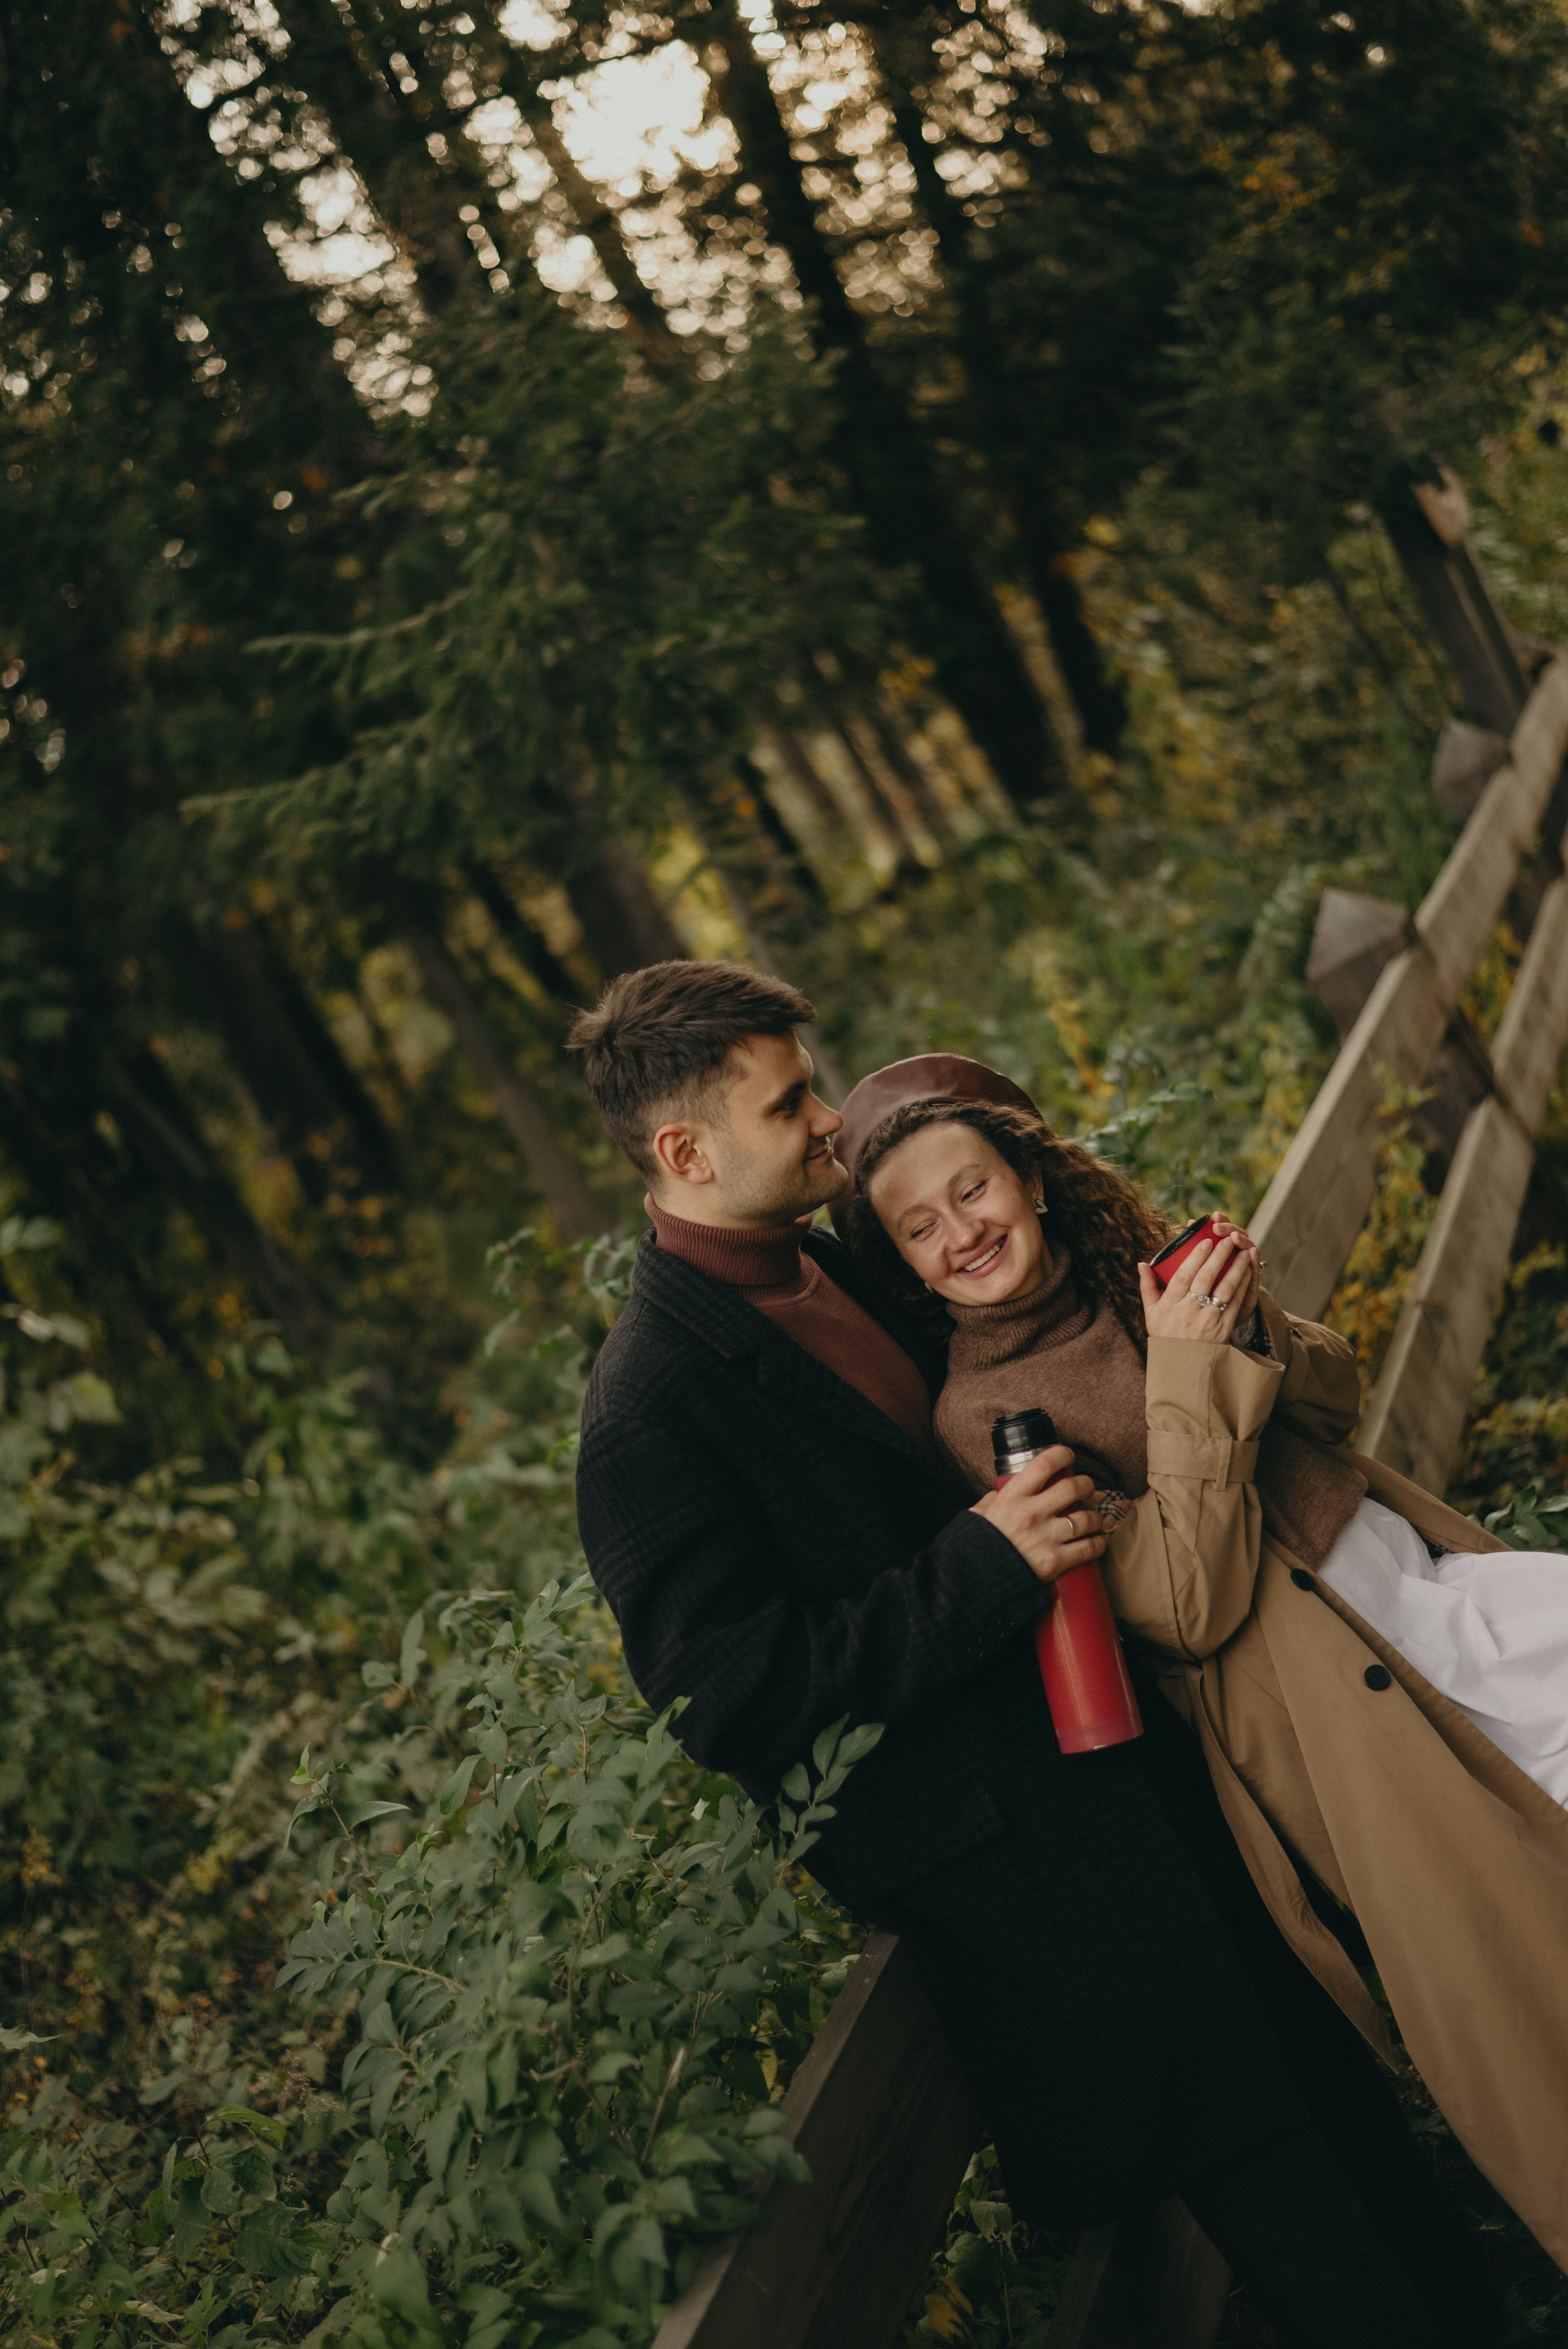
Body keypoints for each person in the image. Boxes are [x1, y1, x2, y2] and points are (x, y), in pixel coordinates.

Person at [570, 960, 1513, 2349]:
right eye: (789, 1102)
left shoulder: (831, 1267)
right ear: (683, 1151)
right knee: (1289, 2209)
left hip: (1146, 1755)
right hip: (1040, 1883)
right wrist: (979, 1569)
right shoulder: (648, 1408)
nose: (829, 1121)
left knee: (1347, 2110)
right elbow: (732, 1697)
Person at [842, 1049, 1568, 2282]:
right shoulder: (985, 1419)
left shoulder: (1134, 1277)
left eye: (971, 1190)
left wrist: (1242, 1323)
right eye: (918, 1226)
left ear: (1026, 1172)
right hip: (1336, 1712)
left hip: (1420, 1590)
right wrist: (1184, 1372)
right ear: (904, 1267)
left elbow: (1327, 1409)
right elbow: (1180, 1605)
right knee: (1526, 1968)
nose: (958, 1233)